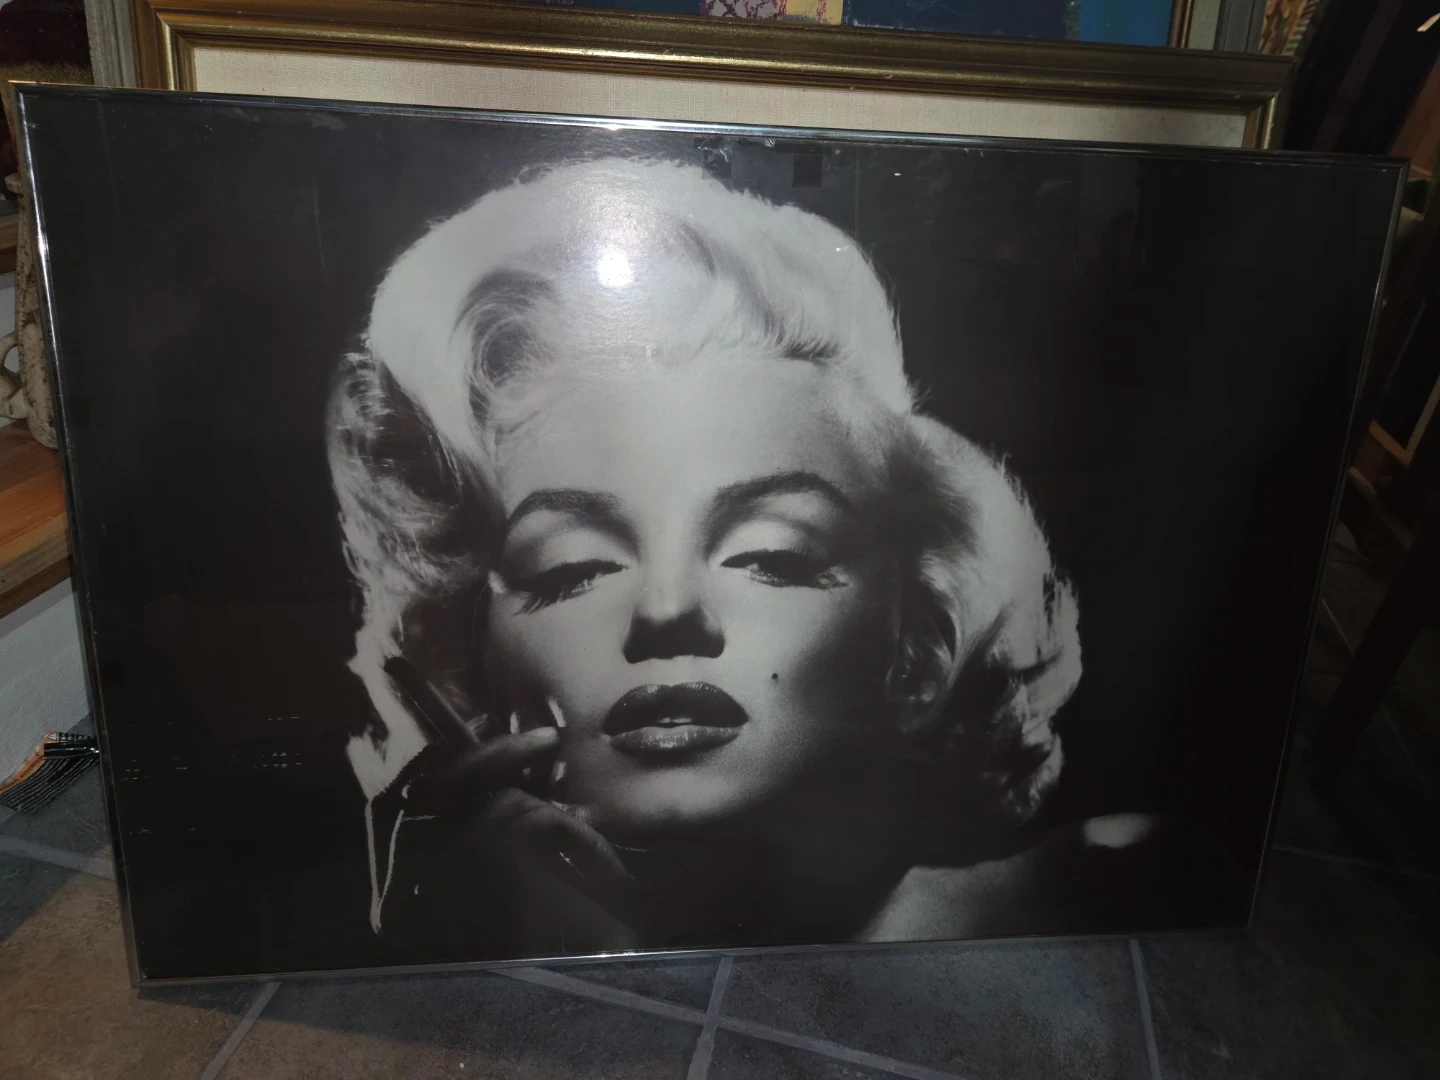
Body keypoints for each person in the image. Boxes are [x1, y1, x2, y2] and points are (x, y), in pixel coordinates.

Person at [325, 156, 1195, 963]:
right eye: (572, 569)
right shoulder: (454, 933)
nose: (668, 610)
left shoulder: (1115, 891)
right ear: (472, 667)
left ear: (918, 650)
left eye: (772, 556)